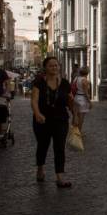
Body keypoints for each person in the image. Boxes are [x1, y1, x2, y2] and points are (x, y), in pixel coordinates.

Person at [31, 57, 74, 188]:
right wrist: (37, 113)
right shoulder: (39, 82)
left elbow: (70, 100)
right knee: (42, 146)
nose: (54, 68)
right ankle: (40, 168)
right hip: (42, 120)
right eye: (51, 66)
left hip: (61, 119)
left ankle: (60, 177)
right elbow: (34, 100)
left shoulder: (65, 83)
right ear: (45, 67)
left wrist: (75, 114)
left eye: (56, 65)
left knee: (59, 147)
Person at [72, 66, 92, 134]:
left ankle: (74, 131)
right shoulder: (84, 80)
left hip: (76, 97)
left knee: (75, 116)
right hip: (82, 99)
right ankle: (79, 132)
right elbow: (86, 93)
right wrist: (90, 102)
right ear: (87, 73)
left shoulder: (76, 78)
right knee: (81, 118)